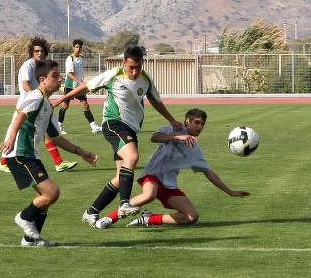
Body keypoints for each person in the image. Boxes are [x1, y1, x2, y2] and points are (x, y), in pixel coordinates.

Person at [53, 45, 183, 227]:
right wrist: (61, 99)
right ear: (124, 63)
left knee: (120, 178)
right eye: (131, 68)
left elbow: (156, 101)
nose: (135, 72)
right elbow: (86, 87)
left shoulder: (145, 80)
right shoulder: (113, 74)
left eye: (138, 67)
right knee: (133, 156)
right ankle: (124, 204)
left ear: (142, 63)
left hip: (131, 130)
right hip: (113, 123)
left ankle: (92, 212)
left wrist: (171, 120)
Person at [94, 108, 250, 229]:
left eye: (202, 124)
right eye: (196, 122)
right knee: (149, 195)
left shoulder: (194, 148)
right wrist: (177, 136)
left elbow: (209, 173)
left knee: (192, 217)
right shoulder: (174, 129)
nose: (199, 126)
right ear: (187, 121)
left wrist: (231, 192)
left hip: (169, 185)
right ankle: (110, 218)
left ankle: (148, 219)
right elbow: (154, 137)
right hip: (152, 175)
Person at [0, 59, 97, 246]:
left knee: (45, 199)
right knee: (52, 193)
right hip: (19, 155)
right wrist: (10, 139)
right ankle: (23, 217)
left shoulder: (46, 104)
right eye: (55, 76)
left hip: (31, 155)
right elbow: (20, 116)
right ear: (42, 79)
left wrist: (80, 152)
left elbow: (55, 137)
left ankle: (30, 241)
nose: (60, 79)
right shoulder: (35, 97)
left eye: (60, 75)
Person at [0, 37, 78, 173]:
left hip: (38, 104)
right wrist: (38, 100)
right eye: (36, 51)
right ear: (32, 52)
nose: (39, 53)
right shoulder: (28, 65)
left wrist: (44, 101)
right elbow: (26, 85)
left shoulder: (42, 67)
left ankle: (59, 163)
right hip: (29, 105)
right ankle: (4, 162)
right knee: (31, 133)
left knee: (48, 132)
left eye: (41, 51)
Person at [57, 39, 102, 135]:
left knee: (85, 104)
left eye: (80, 47)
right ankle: (59, 126)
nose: (78, 49)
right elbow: (69, 74)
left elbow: (80, 73)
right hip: (70, 85)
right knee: (65, 105)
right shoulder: (70, 58)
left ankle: (94, 127)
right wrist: (80, 82)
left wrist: (82, 82)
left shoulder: (82, 58)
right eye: (76, 47)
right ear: (73, 48)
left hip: (79, 86)